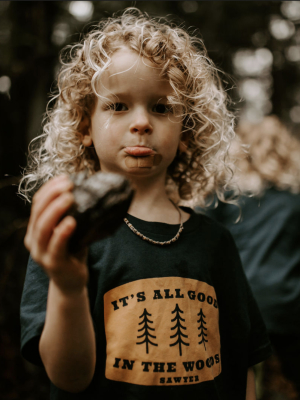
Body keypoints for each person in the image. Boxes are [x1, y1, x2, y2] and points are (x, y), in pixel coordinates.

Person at [19, 9, 272, 400]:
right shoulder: (68, 237)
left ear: (186, 132)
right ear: (85, 127)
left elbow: (243, 365)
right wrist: (68, 288)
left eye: (161, 107)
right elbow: (69, 378)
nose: (141, 122)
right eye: (117, 106)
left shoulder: (215, 242)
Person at [203, 116, 300, 397]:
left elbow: (205, 242)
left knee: (241, 380)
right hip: (287, 304)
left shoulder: (227, 198)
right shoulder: (294, 199)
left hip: (239, 303)